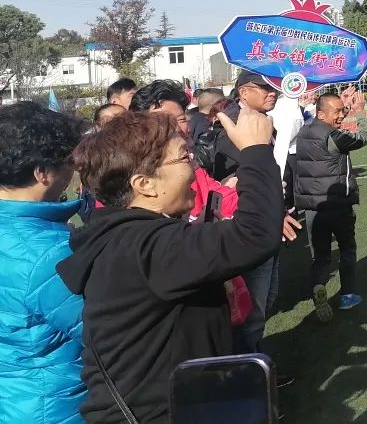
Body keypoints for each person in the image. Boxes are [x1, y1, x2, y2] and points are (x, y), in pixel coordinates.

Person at [57, 108, 283, 423]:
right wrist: (256, 150)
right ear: (145, 184)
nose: (195, 166)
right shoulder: (146, 245)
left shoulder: (126, 237)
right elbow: (255, 234)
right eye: (184, 157)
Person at [0, 103, 86, 424]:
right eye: (67, 163)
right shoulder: (49, 253)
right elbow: (102, 329)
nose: (71, 173)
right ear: (42, 173)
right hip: (51, 406)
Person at [209, 71, 296, 360]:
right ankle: (248, 371)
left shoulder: (259, 121)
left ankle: (254, 360)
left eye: (275, 88)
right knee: (251, 310)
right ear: (244, 92)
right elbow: (238, 184)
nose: (273, 92)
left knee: (265, 300)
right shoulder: (234, 127)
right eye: (265, 87)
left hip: (266, 220)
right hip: (248, 226)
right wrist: (272, 212)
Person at [292, 89, 367, 322]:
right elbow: (363, 138)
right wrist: (359, 112)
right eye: (337, 112)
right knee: (347, 248)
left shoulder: (305, 130)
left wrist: (340, 106)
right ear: (322, 114)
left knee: (321, 255)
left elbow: (328, 123)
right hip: (337, 204)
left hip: (312, 207)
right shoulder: (334, 137)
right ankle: (347, 295)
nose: (341, 115)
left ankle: (318, 285)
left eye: (342, 111)